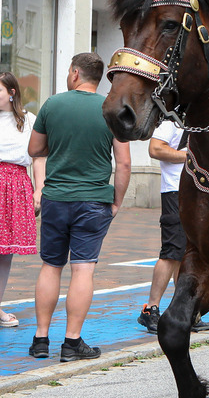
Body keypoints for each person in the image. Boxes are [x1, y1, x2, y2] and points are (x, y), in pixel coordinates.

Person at [27, 53, 131, 361]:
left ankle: (40, 339)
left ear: (75, 73)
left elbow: (34, 149)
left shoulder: (53, 104)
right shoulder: (111, 109)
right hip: (94, 199)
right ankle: (71, 344)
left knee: (51, 265)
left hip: (57, 197)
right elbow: (124, 163)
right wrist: (116, 202)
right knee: (83, 269)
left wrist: (59, 145)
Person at [137, 122, 209, 333]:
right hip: (175, 192)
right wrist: (190, 157)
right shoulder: (171, 122)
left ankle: (185, 311)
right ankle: (150, 310)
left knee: (187, 254)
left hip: (196, 193)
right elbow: (155, 148)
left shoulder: (196, 121)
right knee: (171, 252)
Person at [0, 72, 44, 327]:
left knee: (5, 253)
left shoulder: (29, 121)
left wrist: (39, 190)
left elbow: (39, 157)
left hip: (18, 184)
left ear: (12, 93)